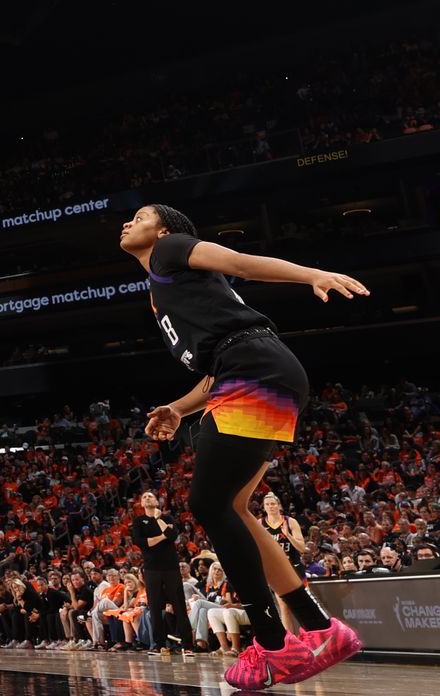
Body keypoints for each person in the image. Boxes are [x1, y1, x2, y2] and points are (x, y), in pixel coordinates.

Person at [123, 204, 364, 688]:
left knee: (207, 503)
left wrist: (312, 274)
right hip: (249, 371)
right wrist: (178, 408)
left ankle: (273, 645)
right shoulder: (163, 291)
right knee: (234, 507)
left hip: (255, 368)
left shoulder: (171, 250)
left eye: (140, 215)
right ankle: (320, 628)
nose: (128, 222)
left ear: (165, 230)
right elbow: (212, 373)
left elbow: (241, 261)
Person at [131, 490, 195, 654]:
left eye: (150, 496)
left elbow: (173, 536)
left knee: (179, 606)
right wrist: (161, 536)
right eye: (144, 496)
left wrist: (158, 519)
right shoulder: (138, 521)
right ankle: (158, 645)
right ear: (141, 503)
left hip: (171, 568)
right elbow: (142, 543)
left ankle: (187, 645)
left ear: (156, 501)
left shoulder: (166, 518)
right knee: (154, 608)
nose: (147, 498)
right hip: (151, 569)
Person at [259, 492, 311, 631]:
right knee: (284, 606)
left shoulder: (290, 521)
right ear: (264, 507)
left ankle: (311, 635)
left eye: (273, 504)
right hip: (276, 570)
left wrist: (288, 536)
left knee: (301, 605)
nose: (271, 507)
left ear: (279, 505)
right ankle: (290, 641)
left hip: (294, 567)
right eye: (267, 504)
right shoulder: (260, 524)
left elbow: (302, 548)